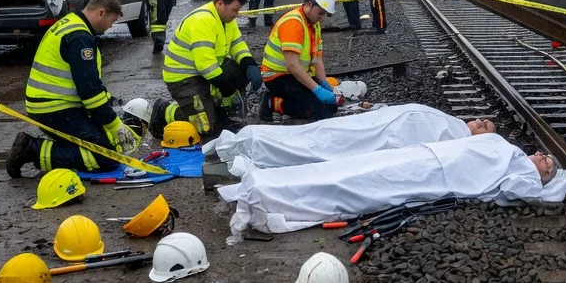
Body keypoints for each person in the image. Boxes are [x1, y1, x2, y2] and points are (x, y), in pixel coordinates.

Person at [219, 134, 566, 234]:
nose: (541, 157)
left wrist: (551, 184)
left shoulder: (520, 172)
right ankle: (267, 183)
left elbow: (518, 192)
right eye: (544, 155)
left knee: (361, 184)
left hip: (436, 175)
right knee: (357, 168)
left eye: (546, 164)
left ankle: (270, 194)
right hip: (429, 156)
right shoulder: (506, 147)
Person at [7, 0, 126, 176]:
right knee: (107, 157)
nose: (111, 26)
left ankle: (56, 147)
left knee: (99, 142)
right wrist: (114, 125)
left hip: (50, 105)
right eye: (112, 20)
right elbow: (90, 93)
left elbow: (87, 84)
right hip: (57, 110)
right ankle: (32, 149)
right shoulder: (80, 38)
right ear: (101, 13)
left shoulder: (69, 23)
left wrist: (108, 104)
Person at [211, 104, 499, 171]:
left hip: (375, 135)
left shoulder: (454, 136)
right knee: (321, 133)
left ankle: (256, 143)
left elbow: (408, 143)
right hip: (374, 124)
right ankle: (253, 139)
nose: (483, 120)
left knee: (324, 142)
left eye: (485, 127)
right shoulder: (450, 122)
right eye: (485, 120)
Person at [161, 0, 263, 140]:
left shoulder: (226, 19)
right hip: (184, 80)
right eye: (234, 10)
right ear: (220, 3)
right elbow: (204, 63)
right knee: (206, 127)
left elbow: (237, 45)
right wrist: (223, 85)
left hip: (206, 72)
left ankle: (220, 111)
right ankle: (166, 111)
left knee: (241, 71)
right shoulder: (203, 20)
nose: (237, 15)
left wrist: (250, 64)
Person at [259, 0, 338, 122]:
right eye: (320, 13)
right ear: (308, 5)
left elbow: (317, 60)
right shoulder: (293, 23)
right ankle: (272, 102)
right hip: (277, 77)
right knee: (316, 109)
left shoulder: (314, 24)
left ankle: (283, 102)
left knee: (330, 107)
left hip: (295, 75)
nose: (321, 18)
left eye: (324, 14)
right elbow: (292, 65)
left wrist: (324, 83)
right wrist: (316, 89)